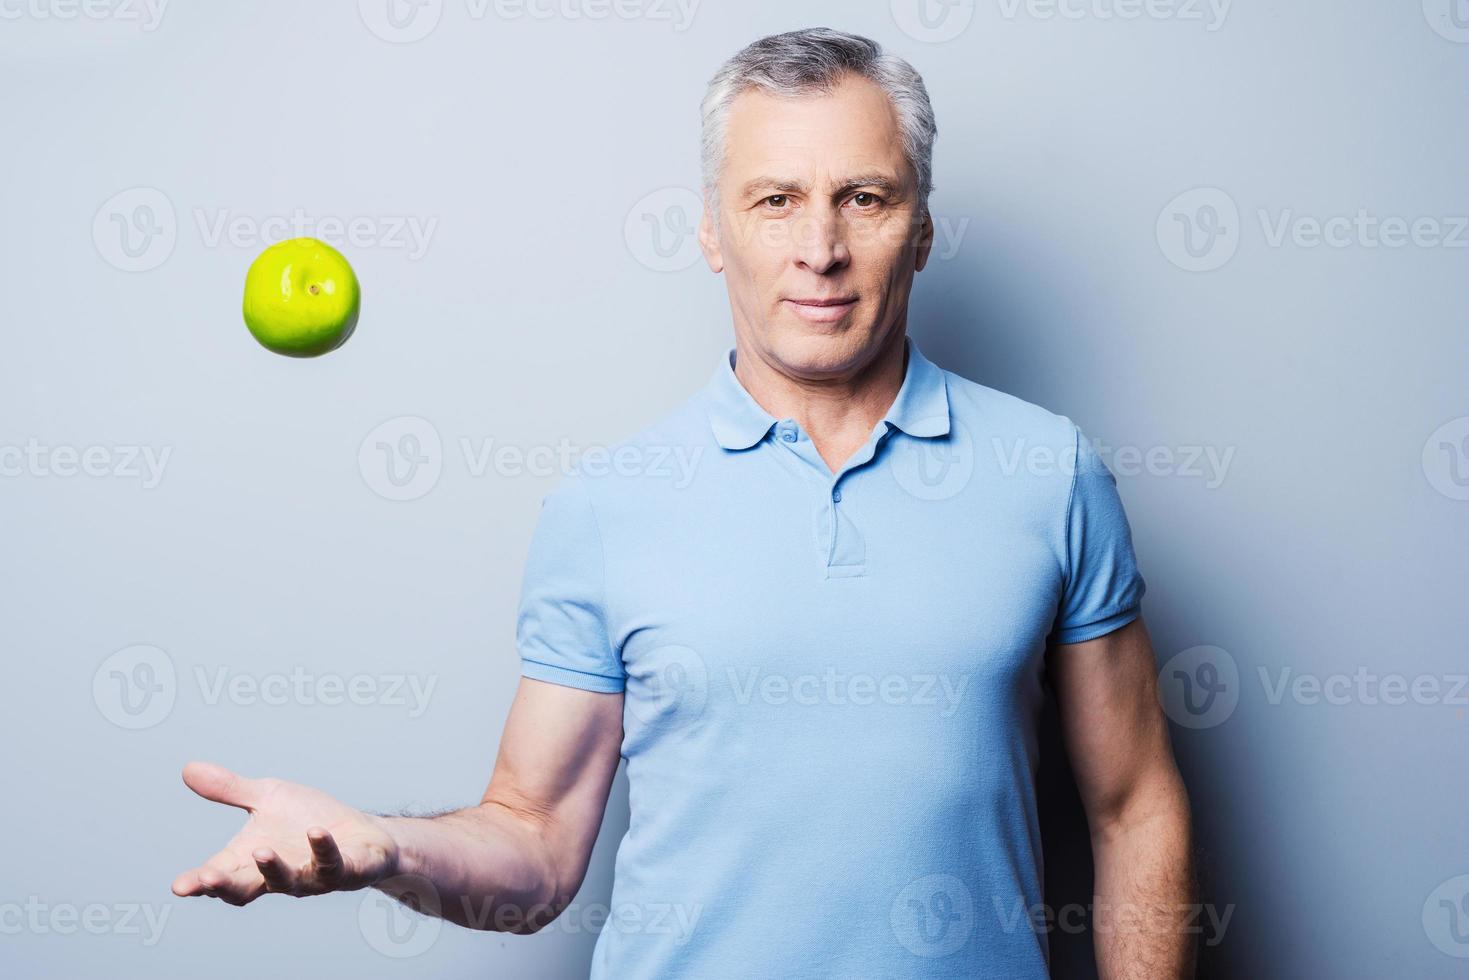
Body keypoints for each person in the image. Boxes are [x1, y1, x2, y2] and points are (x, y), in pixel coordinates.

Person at [172, 27, 1195, 979]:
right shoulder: (611, 503)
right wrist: (379, 845)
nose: (819, 248)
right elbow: (532, 841)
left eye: (864, 197)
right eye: (773, 200)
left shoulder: (1047, 471)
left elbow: (1131, 802)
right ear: (712, 231)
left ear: (920, 229)